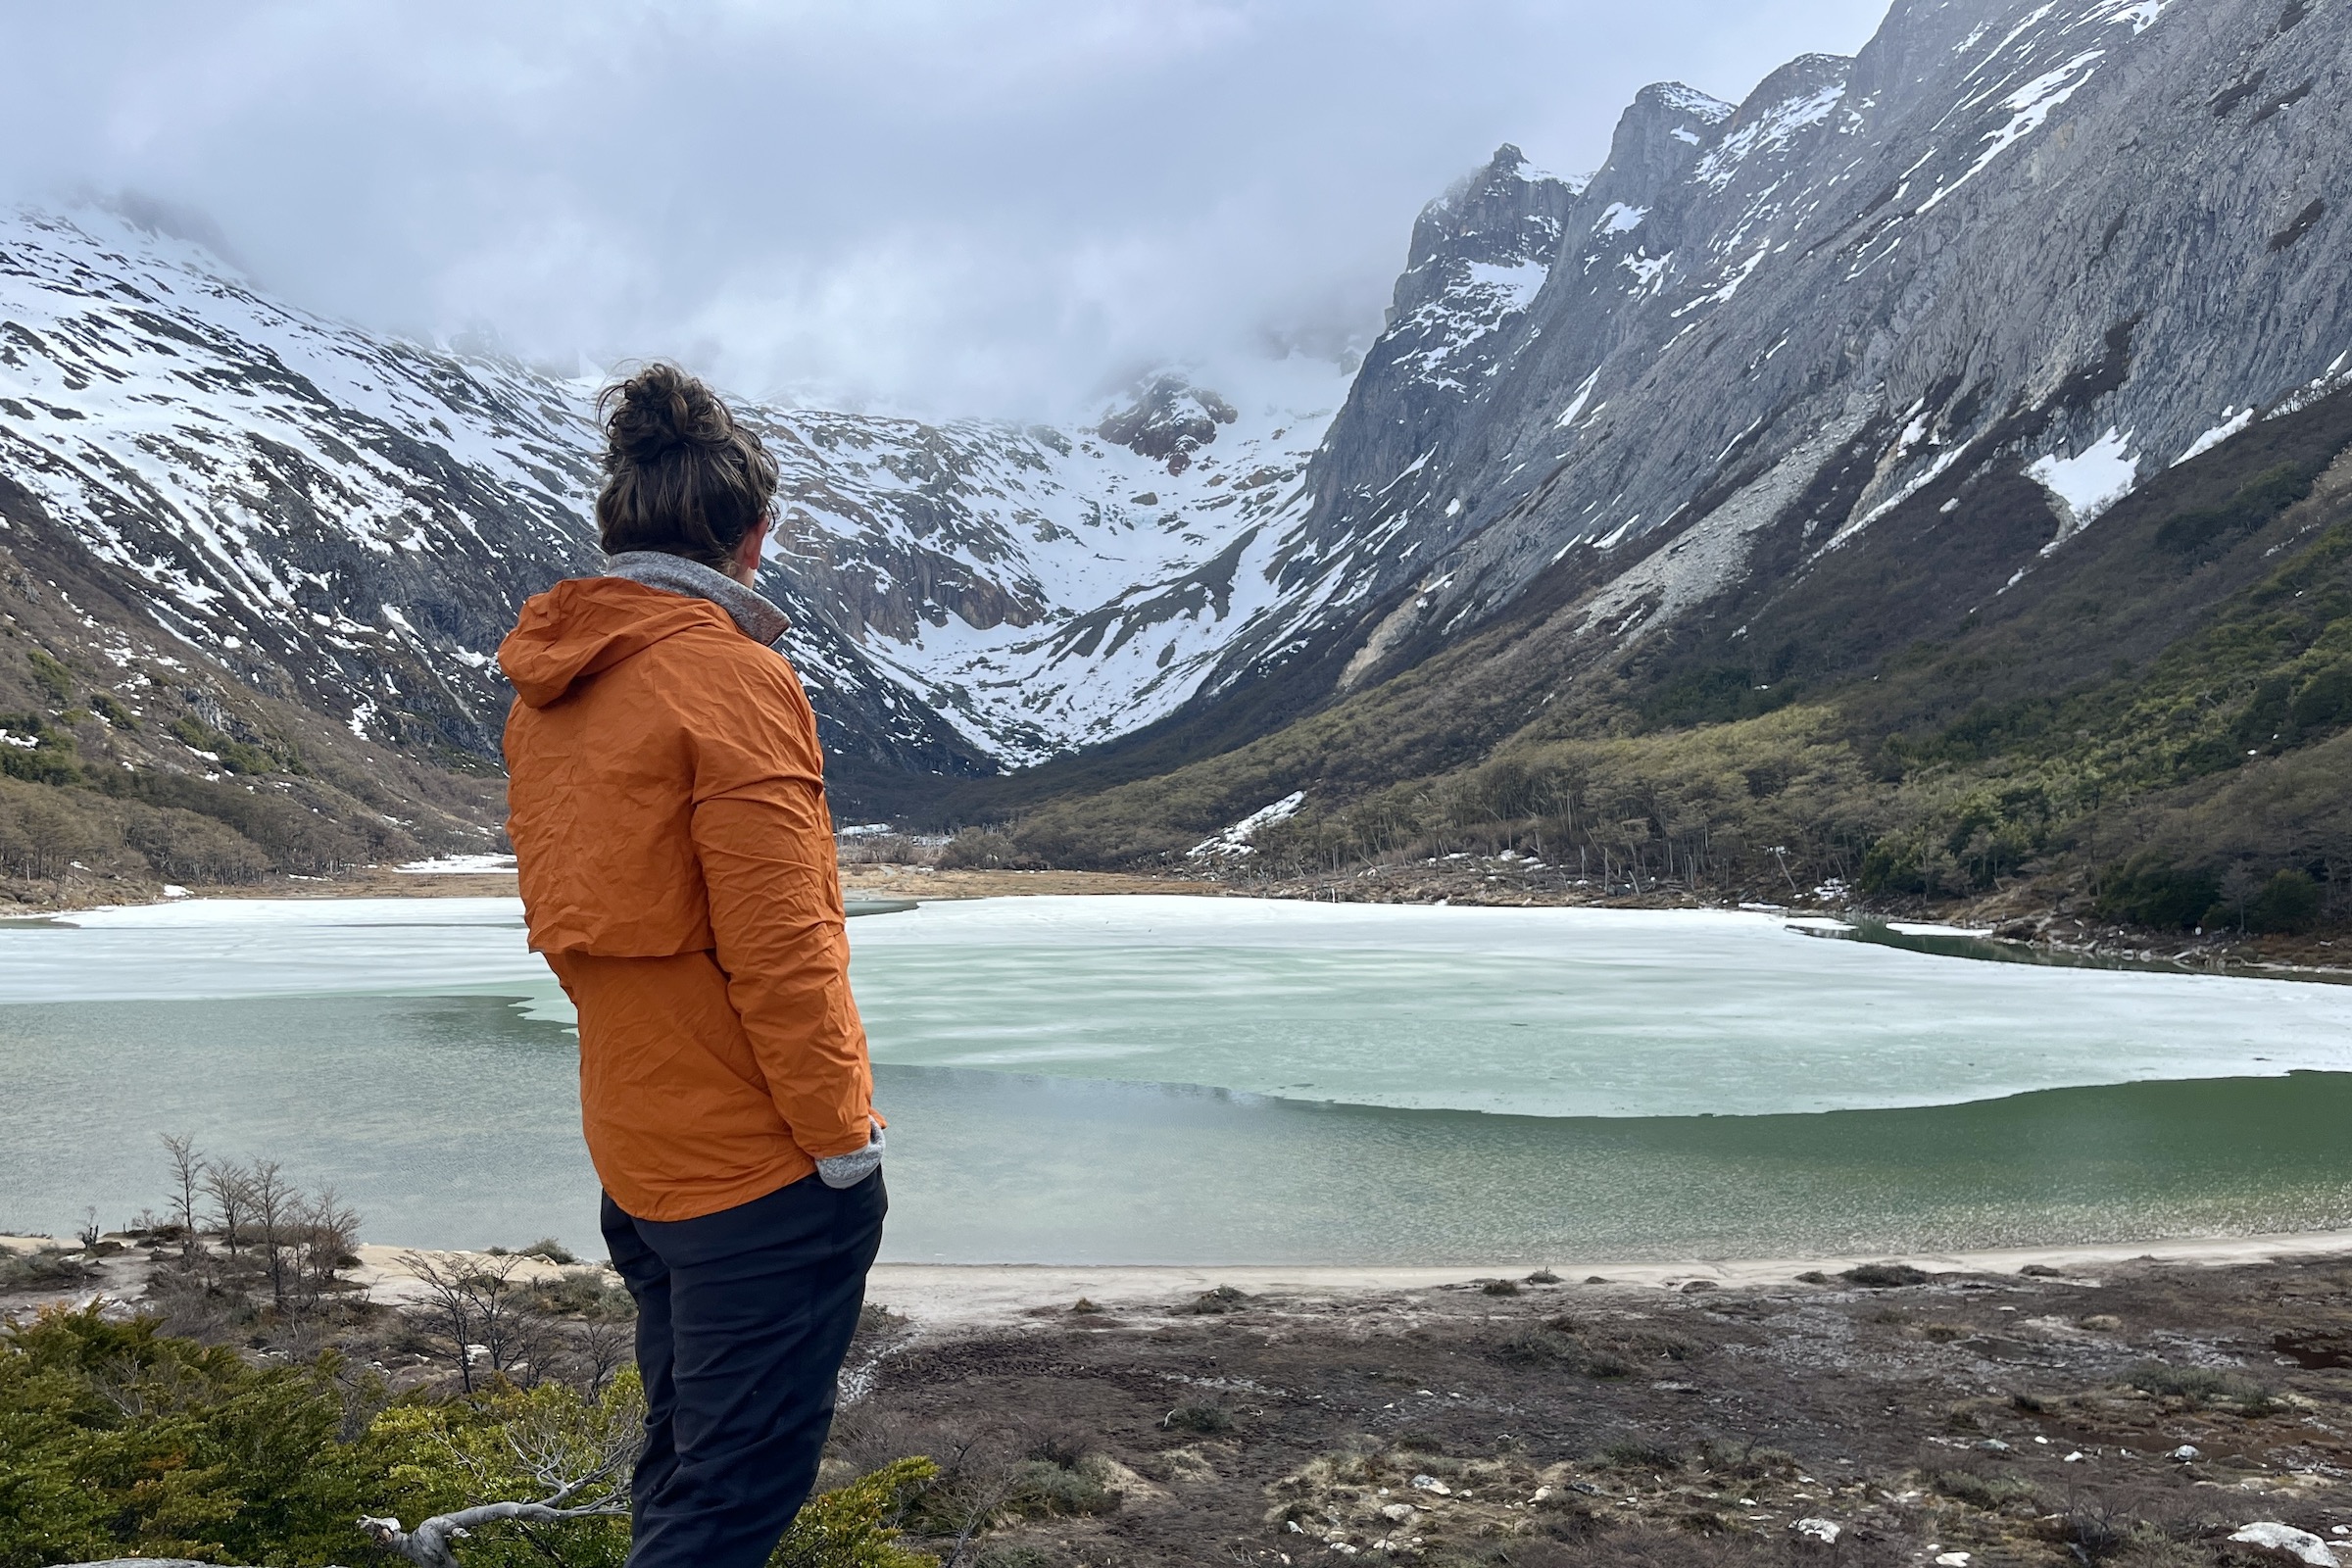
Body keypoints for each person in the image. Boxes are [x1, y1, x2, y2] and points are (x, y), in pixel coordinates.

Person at [499, 363, 886, 1568]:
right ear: (750, 538)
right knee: (730, 1502)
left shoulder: (553, 689)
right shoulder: (731, 677)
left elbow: (579, 930)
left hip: (638, 1149)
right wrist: (842, 1147)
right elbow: (785, 945)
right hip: (755, 1169)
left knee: (684, 1465)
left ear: (617, 525)